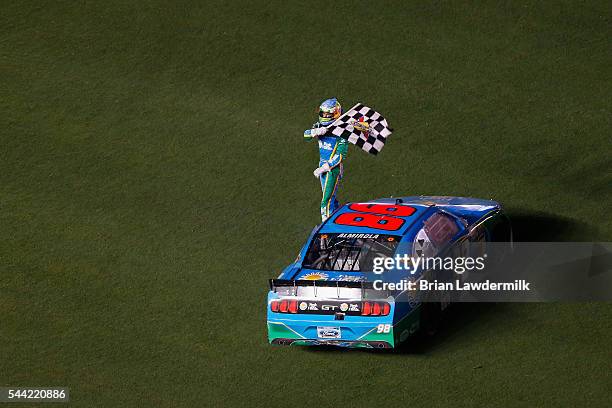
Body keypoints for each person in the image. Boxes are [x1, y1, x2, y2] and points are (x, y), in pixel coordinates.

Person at [303, 98, 349, 222]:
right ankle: (341, 220)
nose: (324, 116)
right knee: (331, 198)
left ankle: (326, 228)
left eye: (327, 114)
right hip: (322, 166)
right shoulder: (319, 126)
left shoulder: (342, 132)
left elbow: (339, 157)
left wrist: (324, 168)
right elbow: (306, 135)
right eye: (322, 113)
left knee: (326, 201)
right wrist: (315, 131)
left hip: (332, 169)